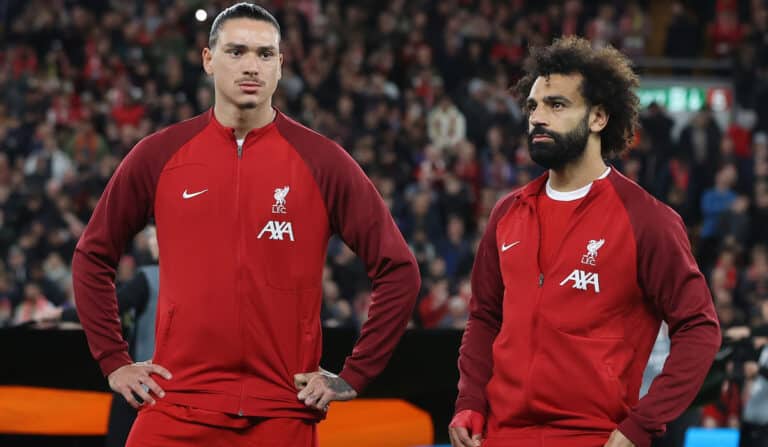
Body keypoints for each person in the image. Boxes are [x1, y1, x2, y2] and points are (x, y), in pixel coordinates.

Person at [71, 3, 420, 447]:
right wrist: (114, 361)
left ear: (281, 65)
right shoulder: (159, 155)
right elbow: (92, 256)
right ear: (208, 59)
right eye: (236, 52)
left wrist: (355, 374)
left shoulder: (322, 162)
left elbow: (399, 271)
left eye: (265, 54)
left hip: (282, 412)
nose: (252, 65)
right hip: (177, 406)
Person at [449, 36, 720, 447]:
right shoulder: (507, 213)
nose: (538, 118)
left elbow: (699, 328)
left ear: (598, 117)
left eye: (557, 105)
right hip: (501, 436)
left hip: (594, 437)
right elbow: (485, 317)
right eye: (533, 106)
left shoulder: (647, 220)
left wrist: (642, 424)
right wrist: (469, 400)